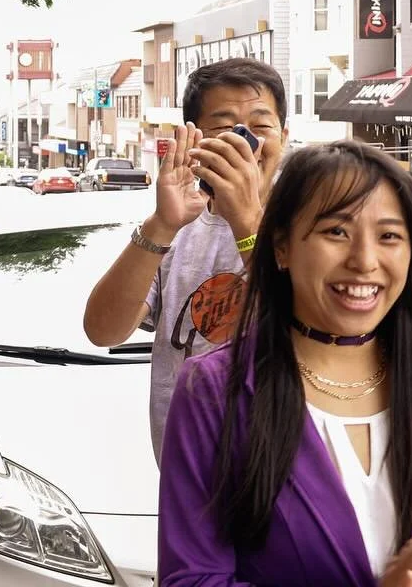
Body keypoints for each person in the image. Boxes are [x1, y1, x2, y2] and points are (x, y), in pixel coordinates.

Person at [157, 142, 412, 587]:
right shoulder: (215, 391)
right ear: (281, 247)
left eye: (389, 236)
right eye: (336, 231)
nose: (365, 261)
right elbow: (192, 579)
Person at [83, 57, 287, 460]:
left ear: (285, 135)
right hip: (186, 473)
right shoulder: (178, 227)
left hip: (280, 476)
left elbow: (299, 330)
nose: (245, 141)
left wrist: (246, 217)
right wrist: (161, 225)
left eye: (261, 127)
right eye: (224, 128)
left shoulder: (310, 222)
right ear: (194, 140)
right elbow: (103, 330)